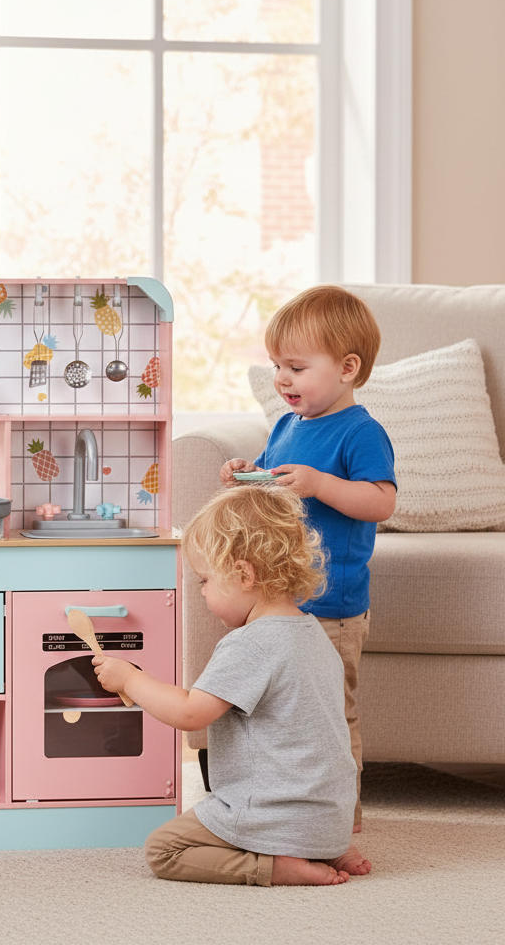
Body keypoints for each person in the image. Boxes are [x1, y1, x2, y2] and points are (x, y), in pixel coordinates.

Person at [94, 484, 370, 886]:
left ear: (243, 574)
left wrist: (131, 679)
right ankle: (324, 846)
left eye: (204, 580)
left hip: (274, 816)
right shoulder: (313, 633)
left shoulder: (251, 643)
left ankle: (274, 865)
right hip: (333, 817)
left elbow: (191, 713)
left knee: (164, 850)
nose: (202, 591)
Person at [219, 284, 396, 831]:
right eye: (277, 366)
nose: (282, 379)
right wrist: (247, 475)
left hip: (332, 604)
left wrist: (321, 483)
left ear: (347, 367)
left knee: (330, 714)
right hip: (279, 600)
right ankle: (284, 802)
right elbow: (275, 488)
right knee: (282, 710)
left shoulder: (362, 431)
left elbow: (381, 500)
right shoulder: (286, 426)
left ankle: (342, 813)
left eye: (296, 367)